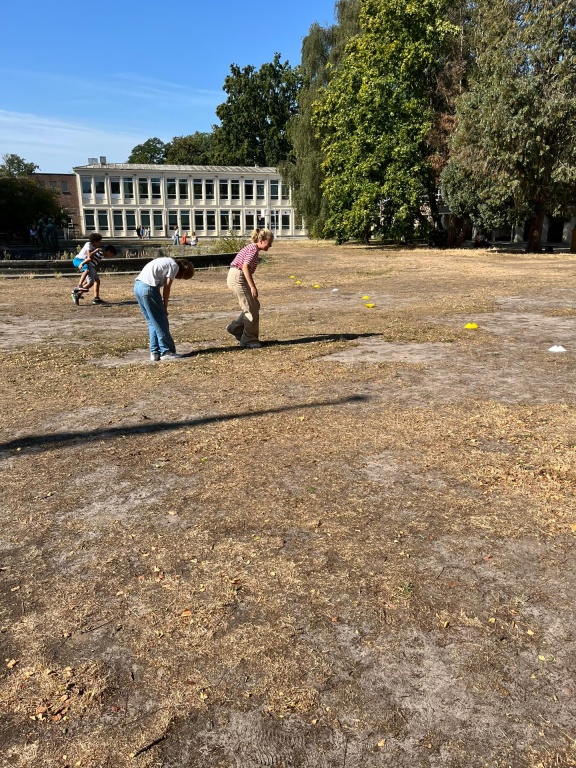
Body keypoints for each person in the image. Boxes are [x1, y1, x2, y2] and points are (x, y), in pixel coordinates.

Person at [134, 257, 195, 361]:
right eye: (182, 277)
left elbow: (154, 278)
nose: (179, 278)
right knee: (161, 320)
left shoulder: (165, 261)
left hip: (138, 286)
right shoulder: (174, 265)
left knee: (153, 322)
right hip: (148, 288)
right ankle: (167, 351)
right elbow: (167, 287)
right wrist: (164, 307)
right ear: (183, 271)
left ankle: (155, 352)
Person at [226, 228, 273, 349]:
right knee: (250, 309)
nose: (271, 245)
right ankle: (248, 339)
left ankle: (236, 329)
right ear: (261, 240)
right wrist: (253, 286)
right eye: (269, 242)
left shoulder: (253, 248)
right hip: (237, 276)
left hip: (237, 275)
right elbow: (245, 267)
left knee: (254, 305)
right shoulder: (253, 250)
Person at [71, 235, 117, 304]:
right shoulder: (99, 252)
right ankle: (76, 293)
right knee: (90, 283)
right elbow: (89, 258)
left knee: (97, 281)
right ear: (109, 251)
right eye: (112, 255)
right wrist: (83, 263)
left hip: (92, 267)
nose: (111, 257)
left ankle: (96, 298)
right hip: (89, 266)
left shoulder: (99, 252)